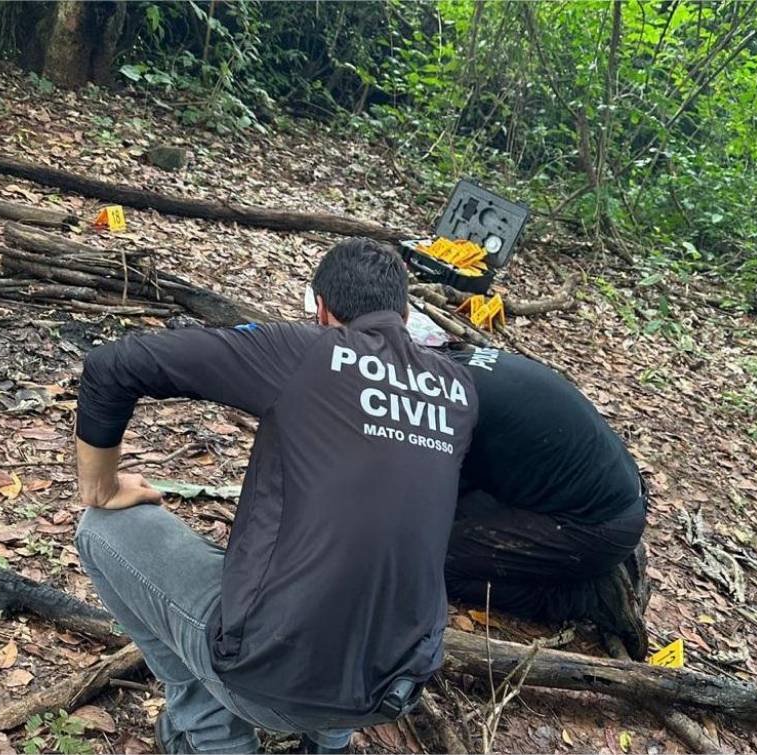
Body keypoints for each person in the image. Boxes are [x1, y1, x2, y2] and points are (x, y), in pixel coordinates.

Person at [74, 238, 478, 754]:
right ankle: (329, 744)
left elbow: (112, 365)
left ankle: (211, 735)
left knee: (99, 528)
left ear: (322, 310)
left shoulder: (308, 352)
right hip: (394, 687)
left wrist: (102, 486)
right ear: (403, 312)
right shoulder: (459, 391)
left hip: (266, 679)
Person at [441, 345, 650, 660]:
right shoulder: (456, 361)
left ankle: (582, 596)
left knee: (436, 560)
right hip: (606, 493)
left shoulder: (449, 403)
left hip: (595, 527)